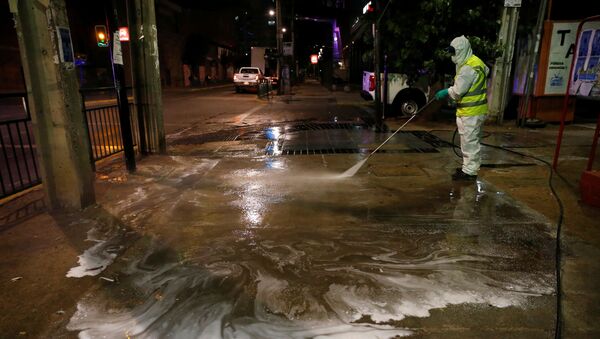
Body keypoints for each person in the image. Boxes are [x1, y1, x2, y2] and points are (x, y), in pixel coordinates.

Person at [434, 35, 489, 181]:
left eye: (454, 52)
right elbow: (487, 71)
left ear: (462, 50)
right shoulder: (477, 62)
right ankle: (469, 168)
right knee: (471, 141)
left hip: (470, 112)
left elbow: (458, 92)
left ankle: (469, 172)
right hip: (476, 111)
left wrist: (446, 92)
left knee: (469, 142)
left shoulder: (467, 68)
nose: (453, 56)